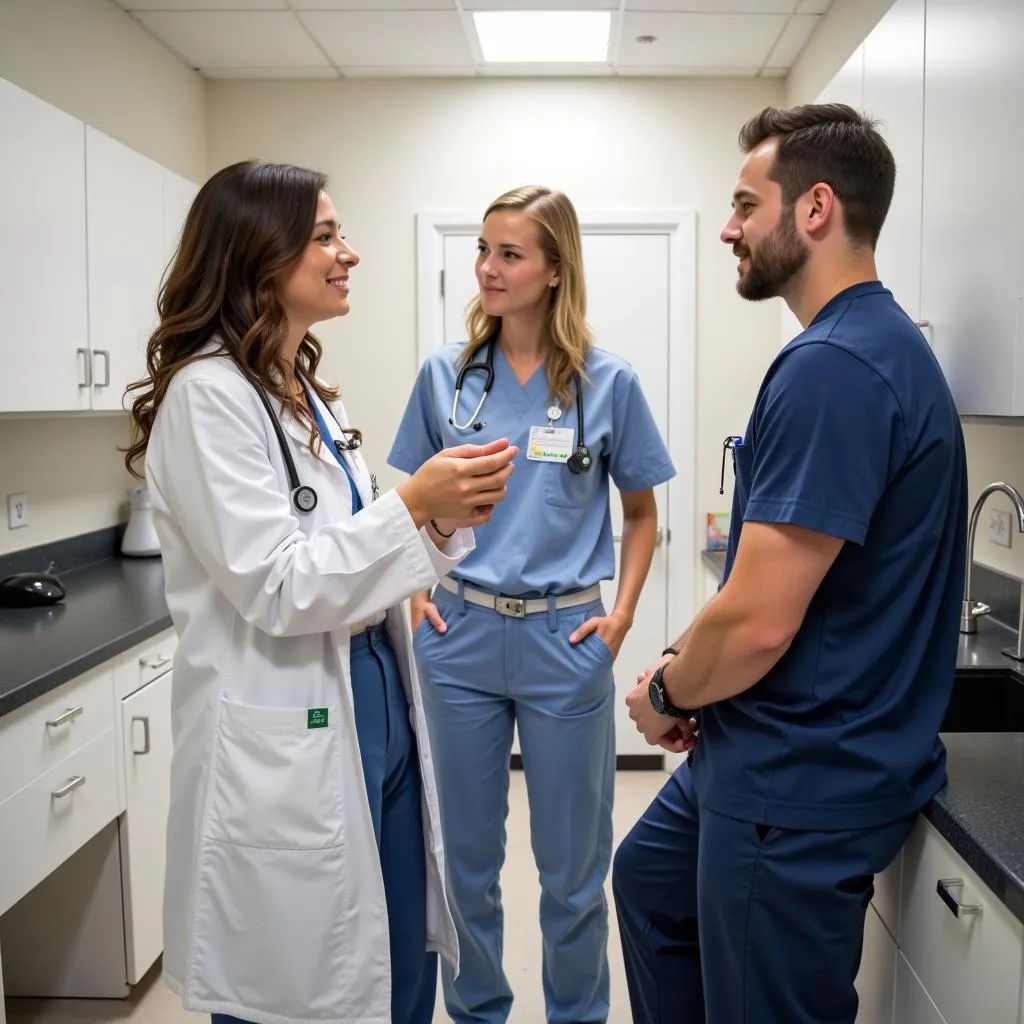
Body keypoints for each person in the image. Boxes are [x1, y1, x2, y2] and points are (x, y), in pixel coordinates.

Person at [122, 160, 519, 1024]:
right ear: (260, 256)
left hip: (376, 701)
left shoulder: (298, 391)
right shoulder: (208, 397)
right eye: (326, 237)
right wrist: (414, 502)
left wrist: (443, 522)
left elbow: (352, 550)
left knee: (401, 956)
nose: (351, 253)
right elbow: (279, 584)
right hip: (290, 721)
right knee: (298, 985)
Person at [613, 103, 967, 1024]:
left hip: (800, 780)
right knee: (649, 881)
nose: (728, 227)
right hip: (776, 752)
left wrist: (670, 693)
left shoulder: (837, 367)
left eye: (743, 204)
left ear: (814, 209)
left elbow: (764, 620)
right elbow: (760, 589)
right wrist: (689, 670)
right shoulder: (867, 346)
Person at [387, 185, 675, 1024]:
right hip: (460, 633)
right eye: (483, 250)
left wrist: (618, 618)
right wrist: (412, 590)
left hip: (565, 638)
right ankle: (478, 1013)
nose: (488, 268)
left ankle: (576, 1016)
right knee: (464, 867)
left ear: (555, 270)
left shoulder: (607, 381)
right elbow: (405, 496)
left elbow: (643, 511)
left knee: (573, 873)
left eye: (510, 254)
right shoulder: (446, 375)